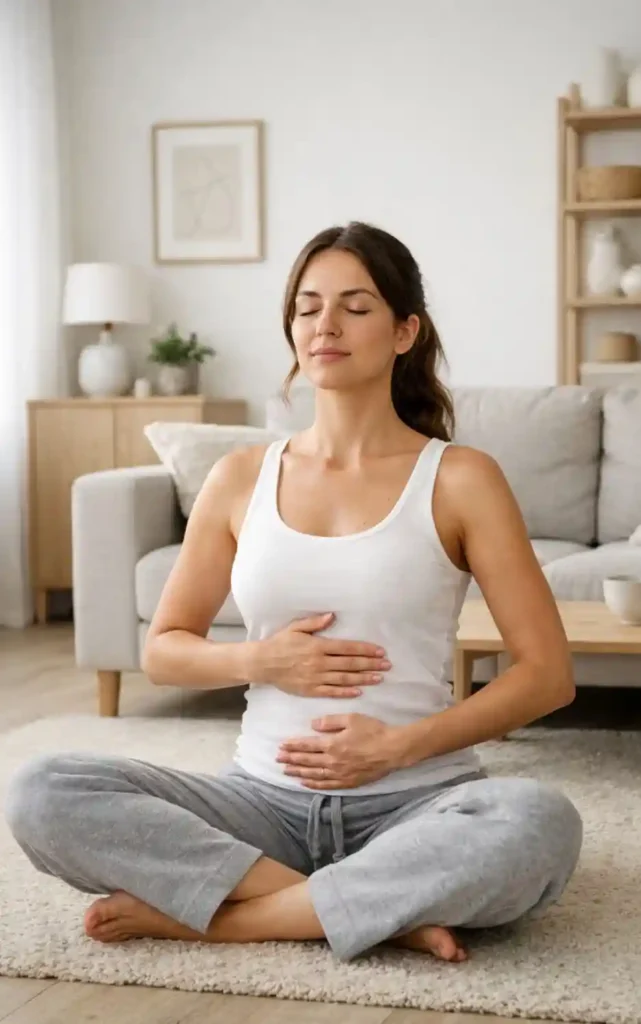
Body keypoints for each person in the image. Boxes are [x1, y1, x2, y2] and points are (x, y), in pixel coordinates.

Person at [5, 221, 583, 964]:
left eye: (355, 306)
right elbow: (164, 651)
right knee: (43, 790)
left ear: (405, 331)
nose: (325, 326)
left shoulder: (461, 478)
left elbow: (547, 675)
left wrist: (397, 748)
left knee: (536, 822)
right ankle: (373, 908)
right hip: (259, 801)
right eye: (307, 307)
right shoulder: (240, 477)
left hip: (414, 800)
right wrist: (261, 662)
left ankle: (237, 914)